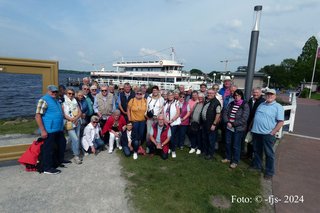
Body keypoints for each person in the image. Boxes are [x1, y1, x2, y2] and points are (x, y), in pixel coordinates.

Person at [250, 88, 284, 180]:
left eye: (271, 94)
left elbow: (280, 122)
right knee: (257, 151)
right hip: (256, 132)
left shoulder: (278, 107)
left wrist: (273, 132)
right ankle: (257, 166)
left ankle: (269, 172)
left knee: (269, 154)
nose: (269, 96)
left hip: (267, 134)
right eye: (268, 94)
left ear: (275, 96)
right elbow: (256, 117)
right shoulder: (261, 104)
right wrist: (251, 127)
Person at [35, 85, 67, 174]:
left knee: (62, 144)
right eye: (52, 91)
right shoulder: (43, 100)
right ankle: (47, 168)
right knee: (48, 149)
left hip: (58, 129)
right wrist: (43, 130)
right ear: (48, 91)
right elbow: (38, 116)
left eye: (56, 92)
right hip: (49, 129)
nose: (54, 93)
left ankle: (59, 160)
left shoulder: (56, 100)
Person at [221, 89, 249, 169]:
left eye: (238, 96)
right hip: (229, 127)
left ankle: (235, 161)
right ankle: (228, 157)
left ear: (241, 96)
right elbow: (225, 113)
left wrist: (233, 124)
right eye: (235, 95)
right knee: (228, 142)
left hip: (238, 128)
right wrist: (227, 122)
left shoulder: (245, 105)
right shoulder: (231, 103)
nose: (236, 97)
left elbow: (244, 118)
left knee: (236, 145)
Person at [62, 88, 82, 164]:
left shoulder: (75, 102)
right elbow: (63, 114)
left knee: (76, 138)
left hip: (77, 122)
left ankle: (74, 150)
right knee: (75, 139)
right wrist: (71, 119)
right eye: (69, 93)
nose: (71, 95)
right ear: (66, 94)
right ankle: (76, 156)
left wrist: (76, 118)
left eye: (72, 94)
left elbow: (80, 112)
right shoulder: (64, 103)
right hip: (69, 123)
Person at [201, 89, 221, 160]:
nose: (209, 94)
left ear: (214, 94)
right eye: (208, 93)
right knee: (205, 139)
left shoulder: (216, 102)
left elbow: (218, 114)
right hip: (205, 124)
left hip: (211, 124)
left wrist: (214, 124)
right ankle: (206, 152)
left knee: (211, 140)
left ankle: (210, 154)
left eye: (211, 93)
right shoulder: (207, 101)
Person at [246, 87, 265, 159]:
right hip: (249, 121)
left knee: (256, 141)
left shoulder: (263, 101)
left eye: (257, 92)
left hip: (257, 123)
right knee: (249, 138)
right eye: (254, 92)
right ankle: (249, 154)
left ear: (260, 93)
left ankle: (256, 157)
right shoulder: (251, 100)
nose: (255, 94)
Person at [163, 91, 181, 158]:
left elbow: (178, 113)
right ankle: (169, 148)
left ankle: (173, 150)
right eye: (169, 95)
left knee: (171, 137)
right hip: (166, 122)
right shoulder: (165, 103)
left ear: (173, 96)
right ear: (167, 96)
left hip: (174, 123)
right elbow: (163, 112)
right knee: (167, 136)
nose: (170, 96)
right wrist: (165, 120)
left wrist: (171, 120)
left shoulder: (177, 102)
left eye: (171, 95)